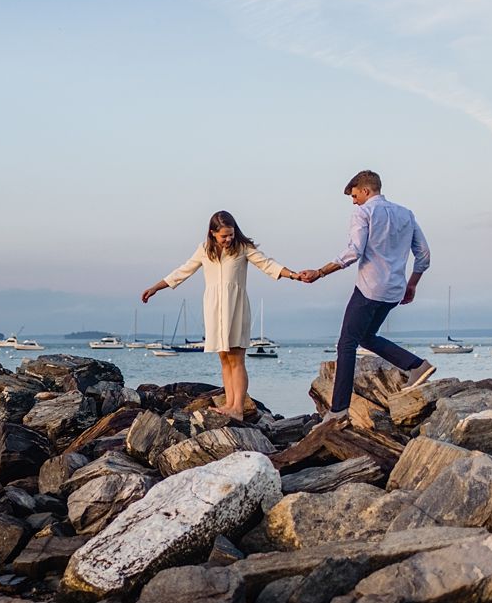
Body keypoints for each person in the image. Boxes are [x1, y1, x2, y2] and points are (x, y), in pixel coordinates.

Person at [298, 170, 435, 427]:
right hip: (393, 291)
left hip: (369, 288)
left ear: (365, 191)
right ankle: (417, 366)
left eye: (354, 195)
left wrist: (320, 272)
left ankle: (338, 412)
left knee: (346, 344)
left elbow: (354, 251)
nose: (353, 201)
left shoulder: (364, 212)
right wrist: (412, 285)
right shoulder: (406, 214)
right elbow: (424, 256)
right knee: (366, 337)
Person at [142, 211, 299, 421]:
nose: (228, 239)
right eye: (224, 235)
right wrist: (155, 288)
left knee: (237, 359)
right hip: (214, 308)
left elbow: (267, 264)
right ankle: (229, 404)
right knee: (224, 358)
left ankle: (238, 409)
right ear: (213, 233)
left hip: (236, 306)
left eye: (231, 234)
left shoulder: (243, 248)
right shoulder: (204, 250)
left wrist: (294, 275)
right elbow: (182, 271)